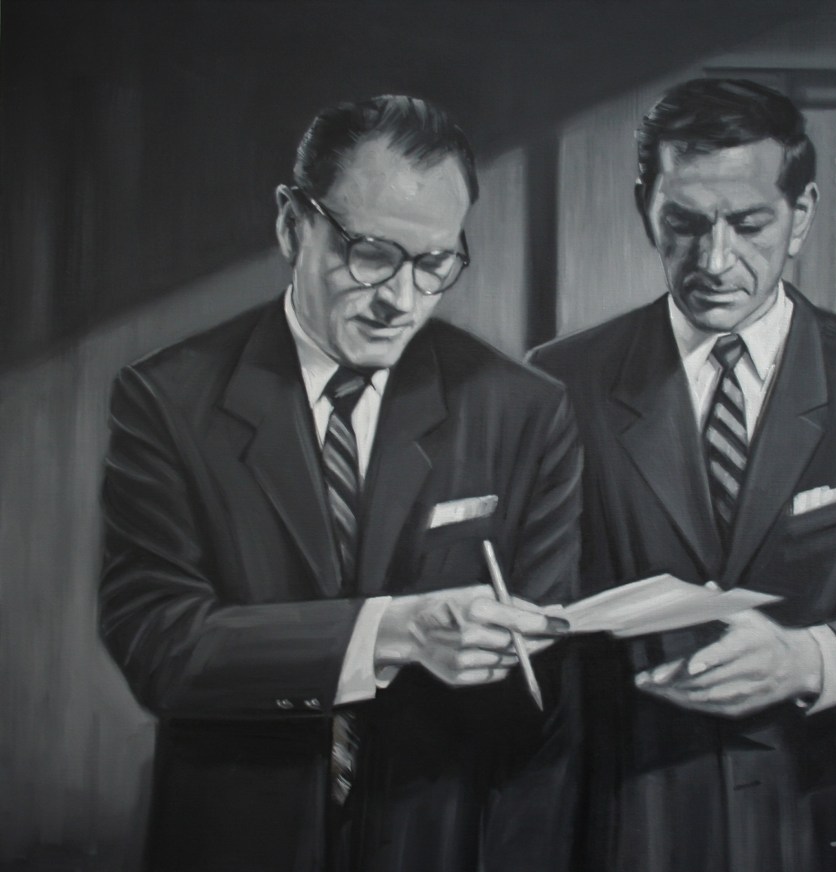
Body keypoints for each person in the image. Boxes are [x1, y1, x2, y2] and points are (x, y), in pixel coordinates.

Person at [99, 95, 582, 872]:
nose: (401, 299)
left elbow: (548, 694)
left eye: (434, 263)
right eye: (371, 253)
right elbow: (159, 642)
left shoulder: (522, 410)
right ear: (293, 224)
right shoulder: (169, 399)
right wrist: (392, 631)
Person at [530, 78, 836, 872]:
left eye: (748, 224)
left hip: (815, 818)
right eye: (684, 223)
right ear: (644, 208)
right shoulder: (561, 382)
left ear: (800, 215)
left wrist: (811, 658)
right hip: (624, 823)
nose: (715, 261)